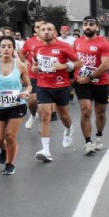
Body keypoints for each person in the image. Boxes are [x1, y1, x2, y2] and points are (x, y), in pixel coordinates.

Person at [0, 36, 30, 175]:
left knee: (10, 135)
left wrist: (26, 92)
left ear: (13, 48)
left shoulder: (20, 65)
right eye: (3, 46)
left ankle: (10, 163)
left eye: (9, 46)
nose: (6, 49)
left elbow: (29, 85)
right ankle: (3, 149)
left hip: (16, 105)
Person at [32, 21, 80, 162]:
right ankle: (45, 150)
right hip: (43, 85)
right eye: (43, 29)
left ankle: (69, 128)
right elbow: (36, 64)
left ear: (55, 32)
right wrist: (35, 69)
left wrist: (64, 65)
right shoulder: (37, 48)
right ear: (38, 32)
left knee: (63, 115)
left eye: (49, 29)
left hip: (60, 85)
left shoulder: (64, 46)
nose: (46, 32)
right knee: (45, 116)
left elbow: (79, 63)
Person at [73, 16, 109, 155]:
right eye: (85, 24)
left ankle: (99, 135)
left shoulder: (104, 44)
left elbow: (106, 65)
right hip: (81, 82)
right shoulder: (77, 42)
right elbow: (73, 61)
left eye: (91, 24)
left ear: (97, 27)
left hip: (99, 82)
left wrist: (90, 77)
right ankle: (88, 142)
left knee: (100, 113)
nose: (87, 27)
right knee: (85, 110)